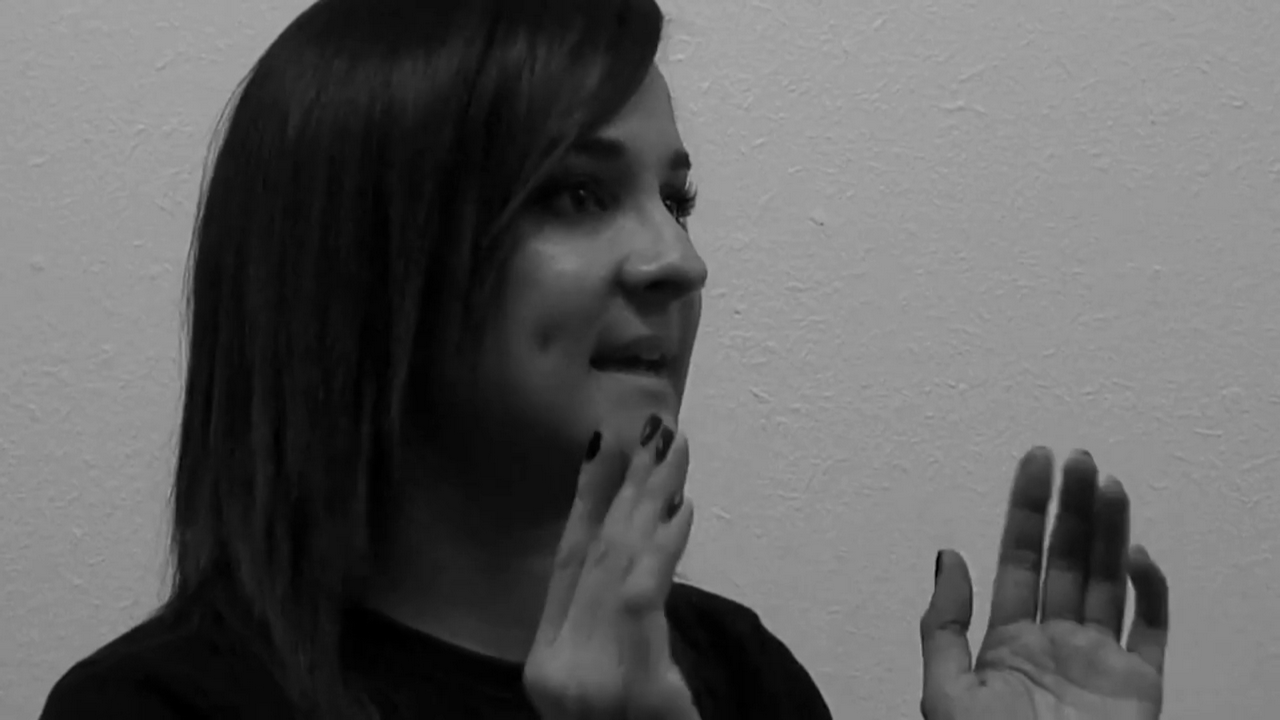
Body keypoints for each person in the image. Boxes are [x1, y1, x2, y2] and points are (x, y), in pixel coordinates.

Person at [39, 0, 1171, 718]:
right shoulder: (160, 708)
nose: (679, 259)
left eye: (677, 199)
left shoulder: (737, 672)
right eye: (578, 194)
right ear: (367, 256)